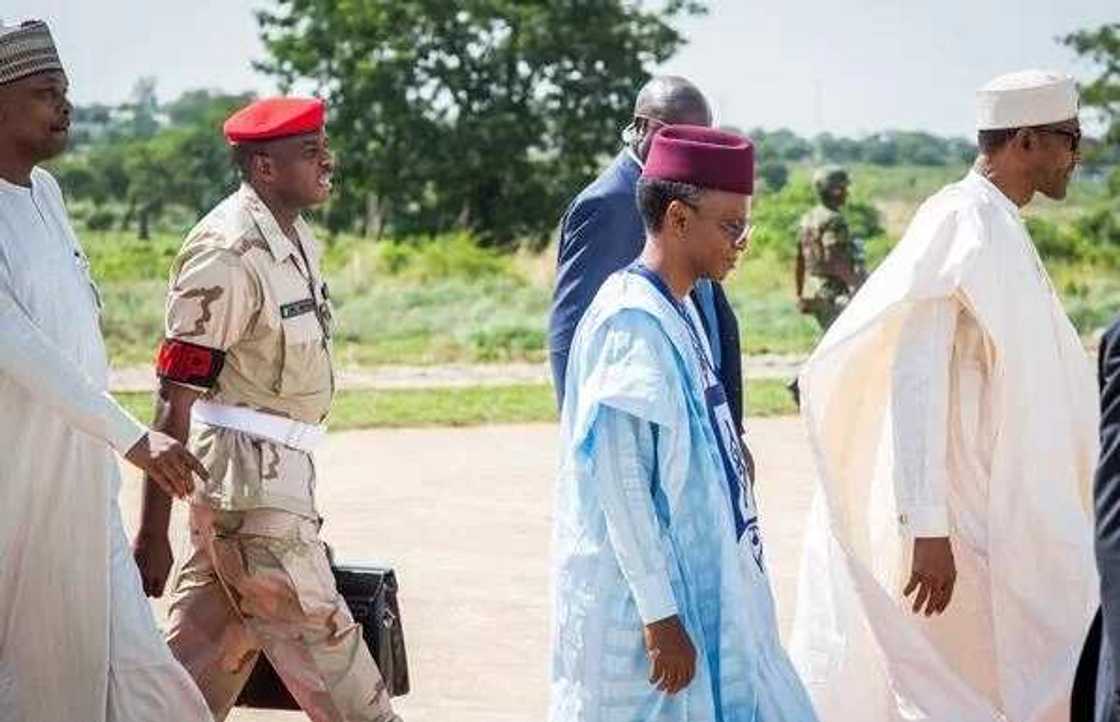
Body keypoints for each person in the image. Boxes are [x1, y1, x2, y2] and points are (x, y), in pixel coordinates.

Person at [789, 69, 1097, 722]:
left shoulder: (1000, 223)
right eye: (1070, 139)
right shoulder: (960, 221)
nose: (1078, 156)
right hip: (964, 518)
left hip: (1017, 507)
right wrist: (927, 527)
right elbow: (916, 374)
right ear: (1026, 142)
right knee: (950, 688)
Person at [130, 97, 401, 722]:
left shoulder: (294, 235)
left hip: (269, 483)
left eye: (323, 144)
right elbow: (174, 396)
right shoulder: (226, 251)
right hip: (250, 499)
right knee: (343, 673)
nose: (327, 160)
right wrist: (152, 532)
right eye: (309, 151)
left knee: (190, 681)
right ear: (264, 167)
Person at [550, 125, 817, 721]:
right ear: (677, 218)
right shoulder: (630, 324)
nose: (743, 241)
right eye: (730, 226)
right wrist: (659, 616)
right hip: (644, 611)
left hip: (701, 585)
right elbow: (621, 486)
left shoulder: (682, 307)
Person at [0, 19, 212, 722]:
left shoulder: (48, 194)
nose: (64, 106)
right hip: (19, 489)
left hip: (81, 482)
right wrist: (134, 438)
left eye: (64, 90)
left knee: (147, 677)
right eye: (44, 92)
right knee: (41, 682)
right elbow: (20, 348)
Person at [549, 76, 745, 441]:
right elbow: (570, 333)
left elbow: (714, 315)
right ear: (641, 127)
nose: (692, 149)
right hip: (648, 429)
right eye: (679, 135)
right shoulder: (608, 204)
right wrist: (583, 440)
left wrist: (733, 429)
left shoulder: (688, 194)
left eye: (703, 139)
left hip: (703, 419)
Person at [794, 165, 866, 330]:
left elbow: (799, 259)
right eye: (844, 188)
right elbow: (833, 257)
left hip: (814, 289)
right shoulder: (834, 220)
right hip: (834, 292)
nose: (847, 192)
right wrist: (858, 286)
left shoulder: (808, 218)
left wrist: (799, 294)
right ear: (835, 190)